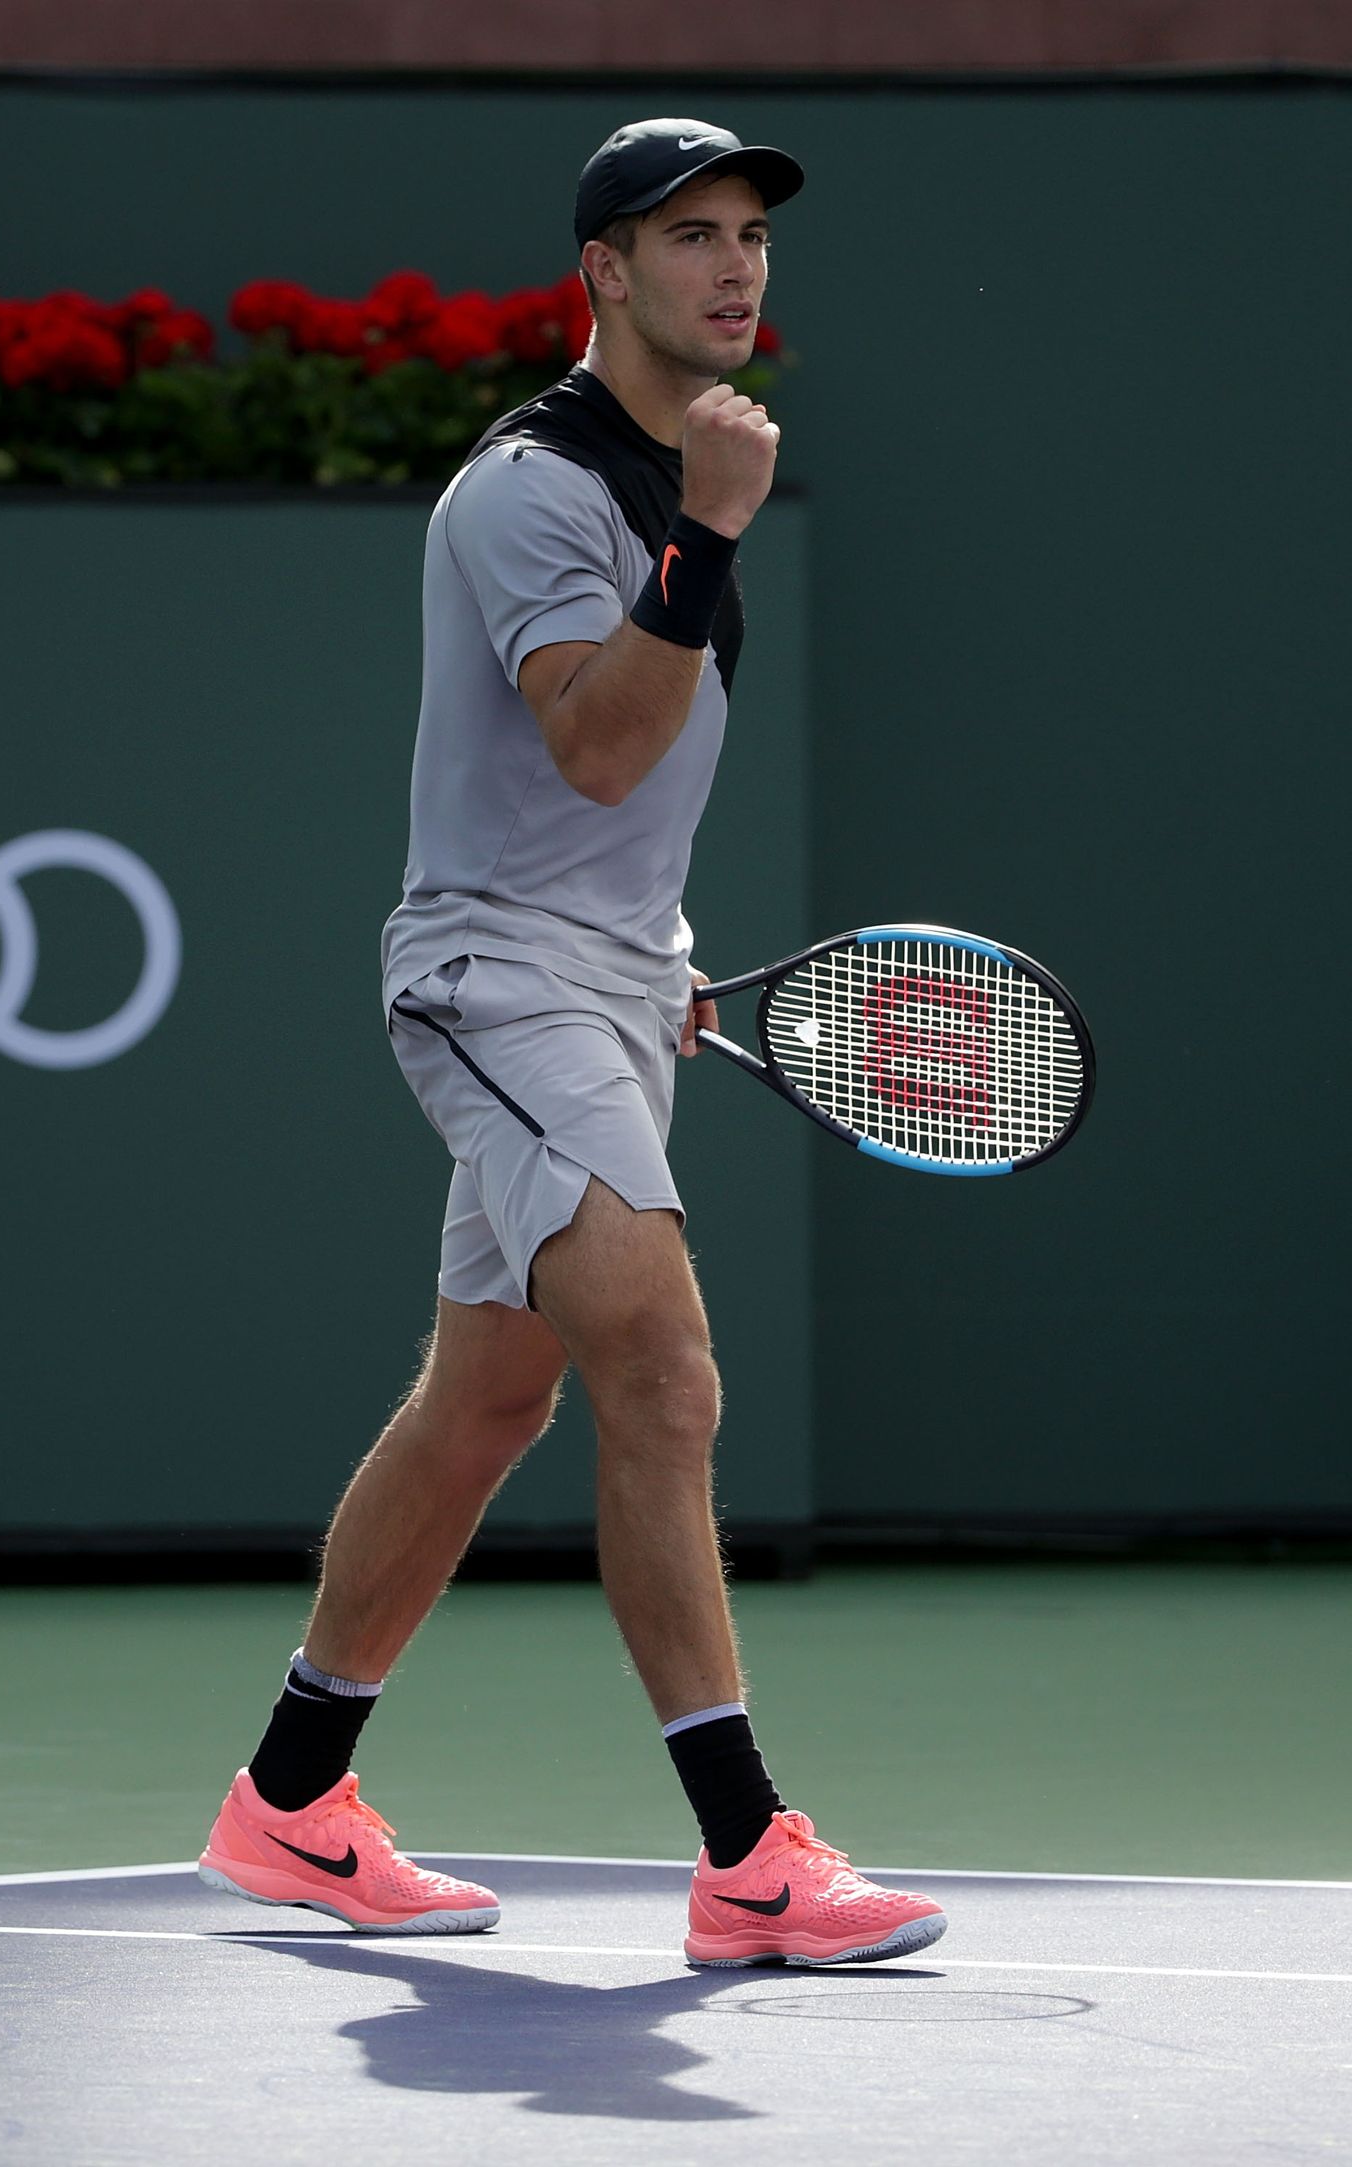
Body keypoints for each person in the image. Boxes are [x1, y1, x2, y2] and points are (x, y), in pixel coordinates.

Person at [201, 117, 947, 1968]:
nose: (737, 264)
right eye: (691, 235)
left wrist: (648, 963)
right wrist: (707, 531)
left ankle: (289, 1800)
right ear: (603, 271)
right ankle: (748, 1857)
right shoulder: (531, 490)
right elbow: (600, 747)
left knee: (488, 1405)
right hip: (491, 977)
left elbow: (621, 811)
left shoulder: (679, 470)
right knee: (663, 1374)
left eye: (751, 233)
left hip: (606, 977)